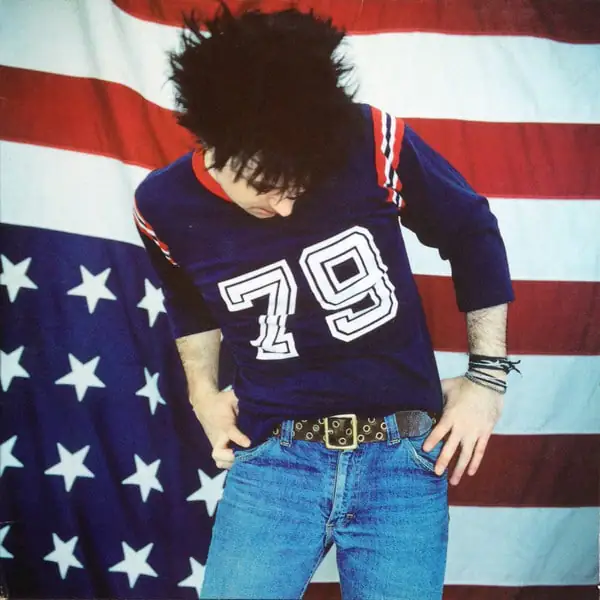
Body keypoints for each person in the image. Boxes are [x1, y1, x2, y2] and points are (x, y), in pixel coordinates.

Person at [133, 3, 519, 599]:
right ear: (212, 141)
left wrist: (487, 379)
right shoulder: (161, 205)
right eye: (267, 186)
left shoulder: (367, 137)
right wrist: (202, 393)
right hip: (274, 459)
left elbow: (471, 230)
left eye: (300, 185)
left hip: (401, 455)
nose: (286, 207)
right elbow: (188, 299)